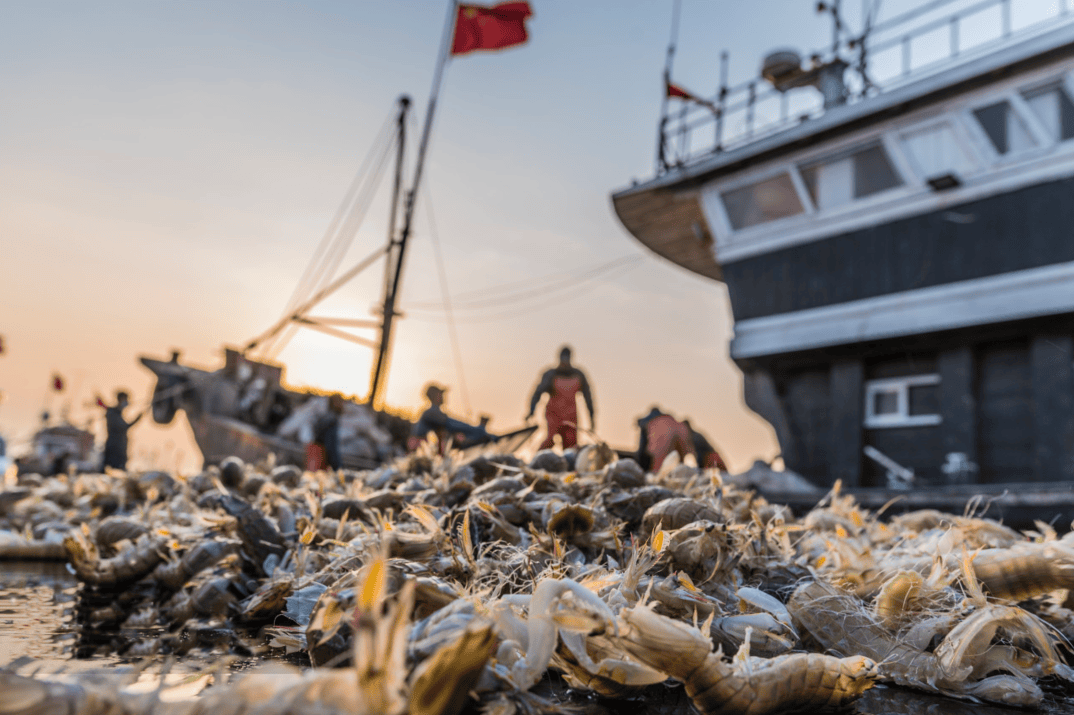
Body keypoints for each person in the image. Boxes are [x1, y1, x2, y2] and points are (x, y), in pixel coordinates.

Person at [526, 346, 595, 450]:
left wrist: (592, 417)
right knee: (550, 440)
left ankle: (569, 465)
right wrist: (531, 410)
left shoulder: (578, 375)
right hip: (553, 415)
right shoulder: (550, 374)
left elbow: (588, 398)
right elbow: (537, 393)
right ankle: (539, 460)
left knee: (571, 445)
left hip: (571, 416)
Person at [409, 384, 492, 453]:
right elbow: (453, 425)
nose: (443, 396)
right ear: (435, 395)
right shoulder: (431, 413)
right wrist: (480, 429)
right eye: (440, 394)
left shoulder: (433, 413)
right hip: (421, 453)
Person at [636, 406, 696, 474]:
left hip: (659, 452)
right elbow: (686, 452)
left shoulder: (651, 423)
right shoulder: (677, 425)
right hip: (677, 441)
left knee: (656, 469)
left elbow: (643, 449)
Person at [102, 391, 143, 471]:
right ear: (120, 399)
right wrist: (136, 419)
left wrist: (137, 419)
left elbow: (124, 427)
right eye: (126, 399)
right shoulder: (112, 412)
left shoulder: (118, 413)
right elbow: (121, 427)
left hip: (120, 451)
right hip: (114, 450)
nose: (127, 402)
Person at [312, 394, 345, 471]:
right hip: (323, 460)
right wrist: (338, 467)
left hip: (319, 456)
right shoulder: (332, 419)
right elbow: (331, 445)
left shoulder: (327, 417)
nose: (343, 405)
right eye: (341, 402)